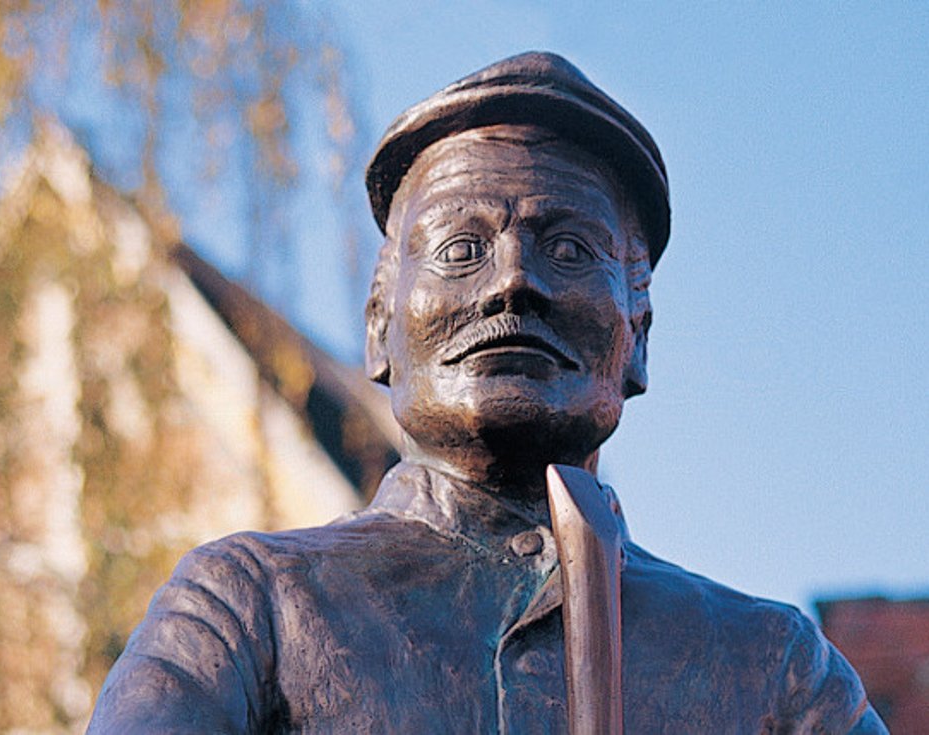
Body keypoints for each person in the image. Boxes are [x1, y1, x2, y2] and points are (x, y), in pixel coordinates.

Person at [88, 52, 886, 733]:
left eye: (570, 247)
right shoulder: (247, 608)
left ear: (637, 337)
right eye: (461, 247)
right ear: (378, 328)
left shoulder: (771, 669)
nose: (513, 282)